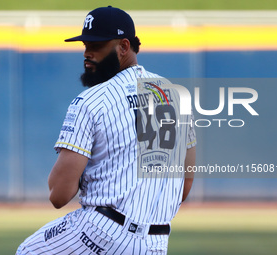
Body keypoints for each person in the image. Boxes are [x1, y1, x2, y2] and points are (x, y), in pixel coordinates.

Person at [16, 6, 196, 255]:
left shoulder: (91, 100)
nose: (87, 53)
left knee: (28, 251)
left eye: (97, 45)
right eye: (85, 45)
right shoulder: (173, 95)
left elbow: (58, 195)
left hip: (102, 232)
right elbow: (185, 187)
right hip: (156, 244)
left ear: (124, 46)